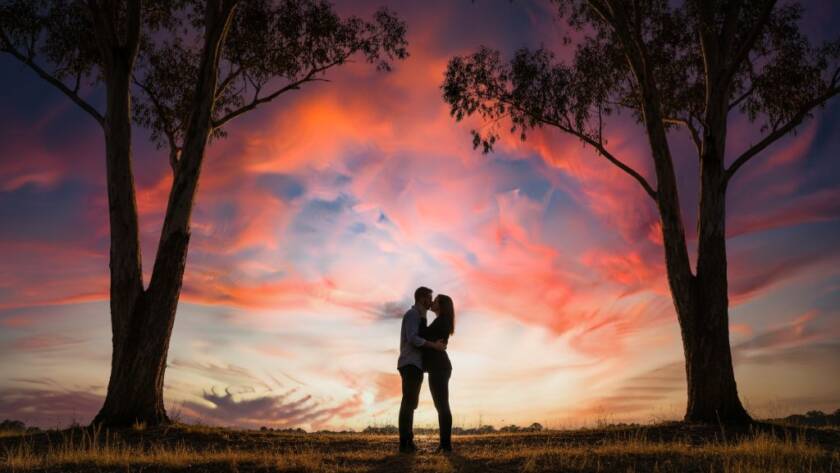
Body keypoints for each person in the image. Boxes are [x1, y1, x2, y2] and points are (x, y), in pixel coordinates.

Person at [397, 286, 447, 453]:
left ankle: (407, 442)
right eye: (429, 298)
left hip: (415, 364)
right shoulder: (412, 315)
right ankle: (405, 442)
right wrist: (435, 346)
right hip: (410, 363)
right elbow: (413, 338)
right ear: (421, 298)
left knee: (411, 403)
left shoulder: (420, 317)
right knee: (408, 402)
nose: (431, 301)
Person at [420, 294, 455, 452]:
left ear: (441, 305)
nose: (432, 302)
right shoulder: (441, 321)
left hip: (439, 367)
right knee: (441, 406)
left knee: (442, 406)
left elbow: (422, 335)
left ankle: (446, 445)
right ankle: (444, 444)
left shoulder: (442, 321)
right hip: (439, 367)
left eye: (434, 301)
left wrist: (421, 315)